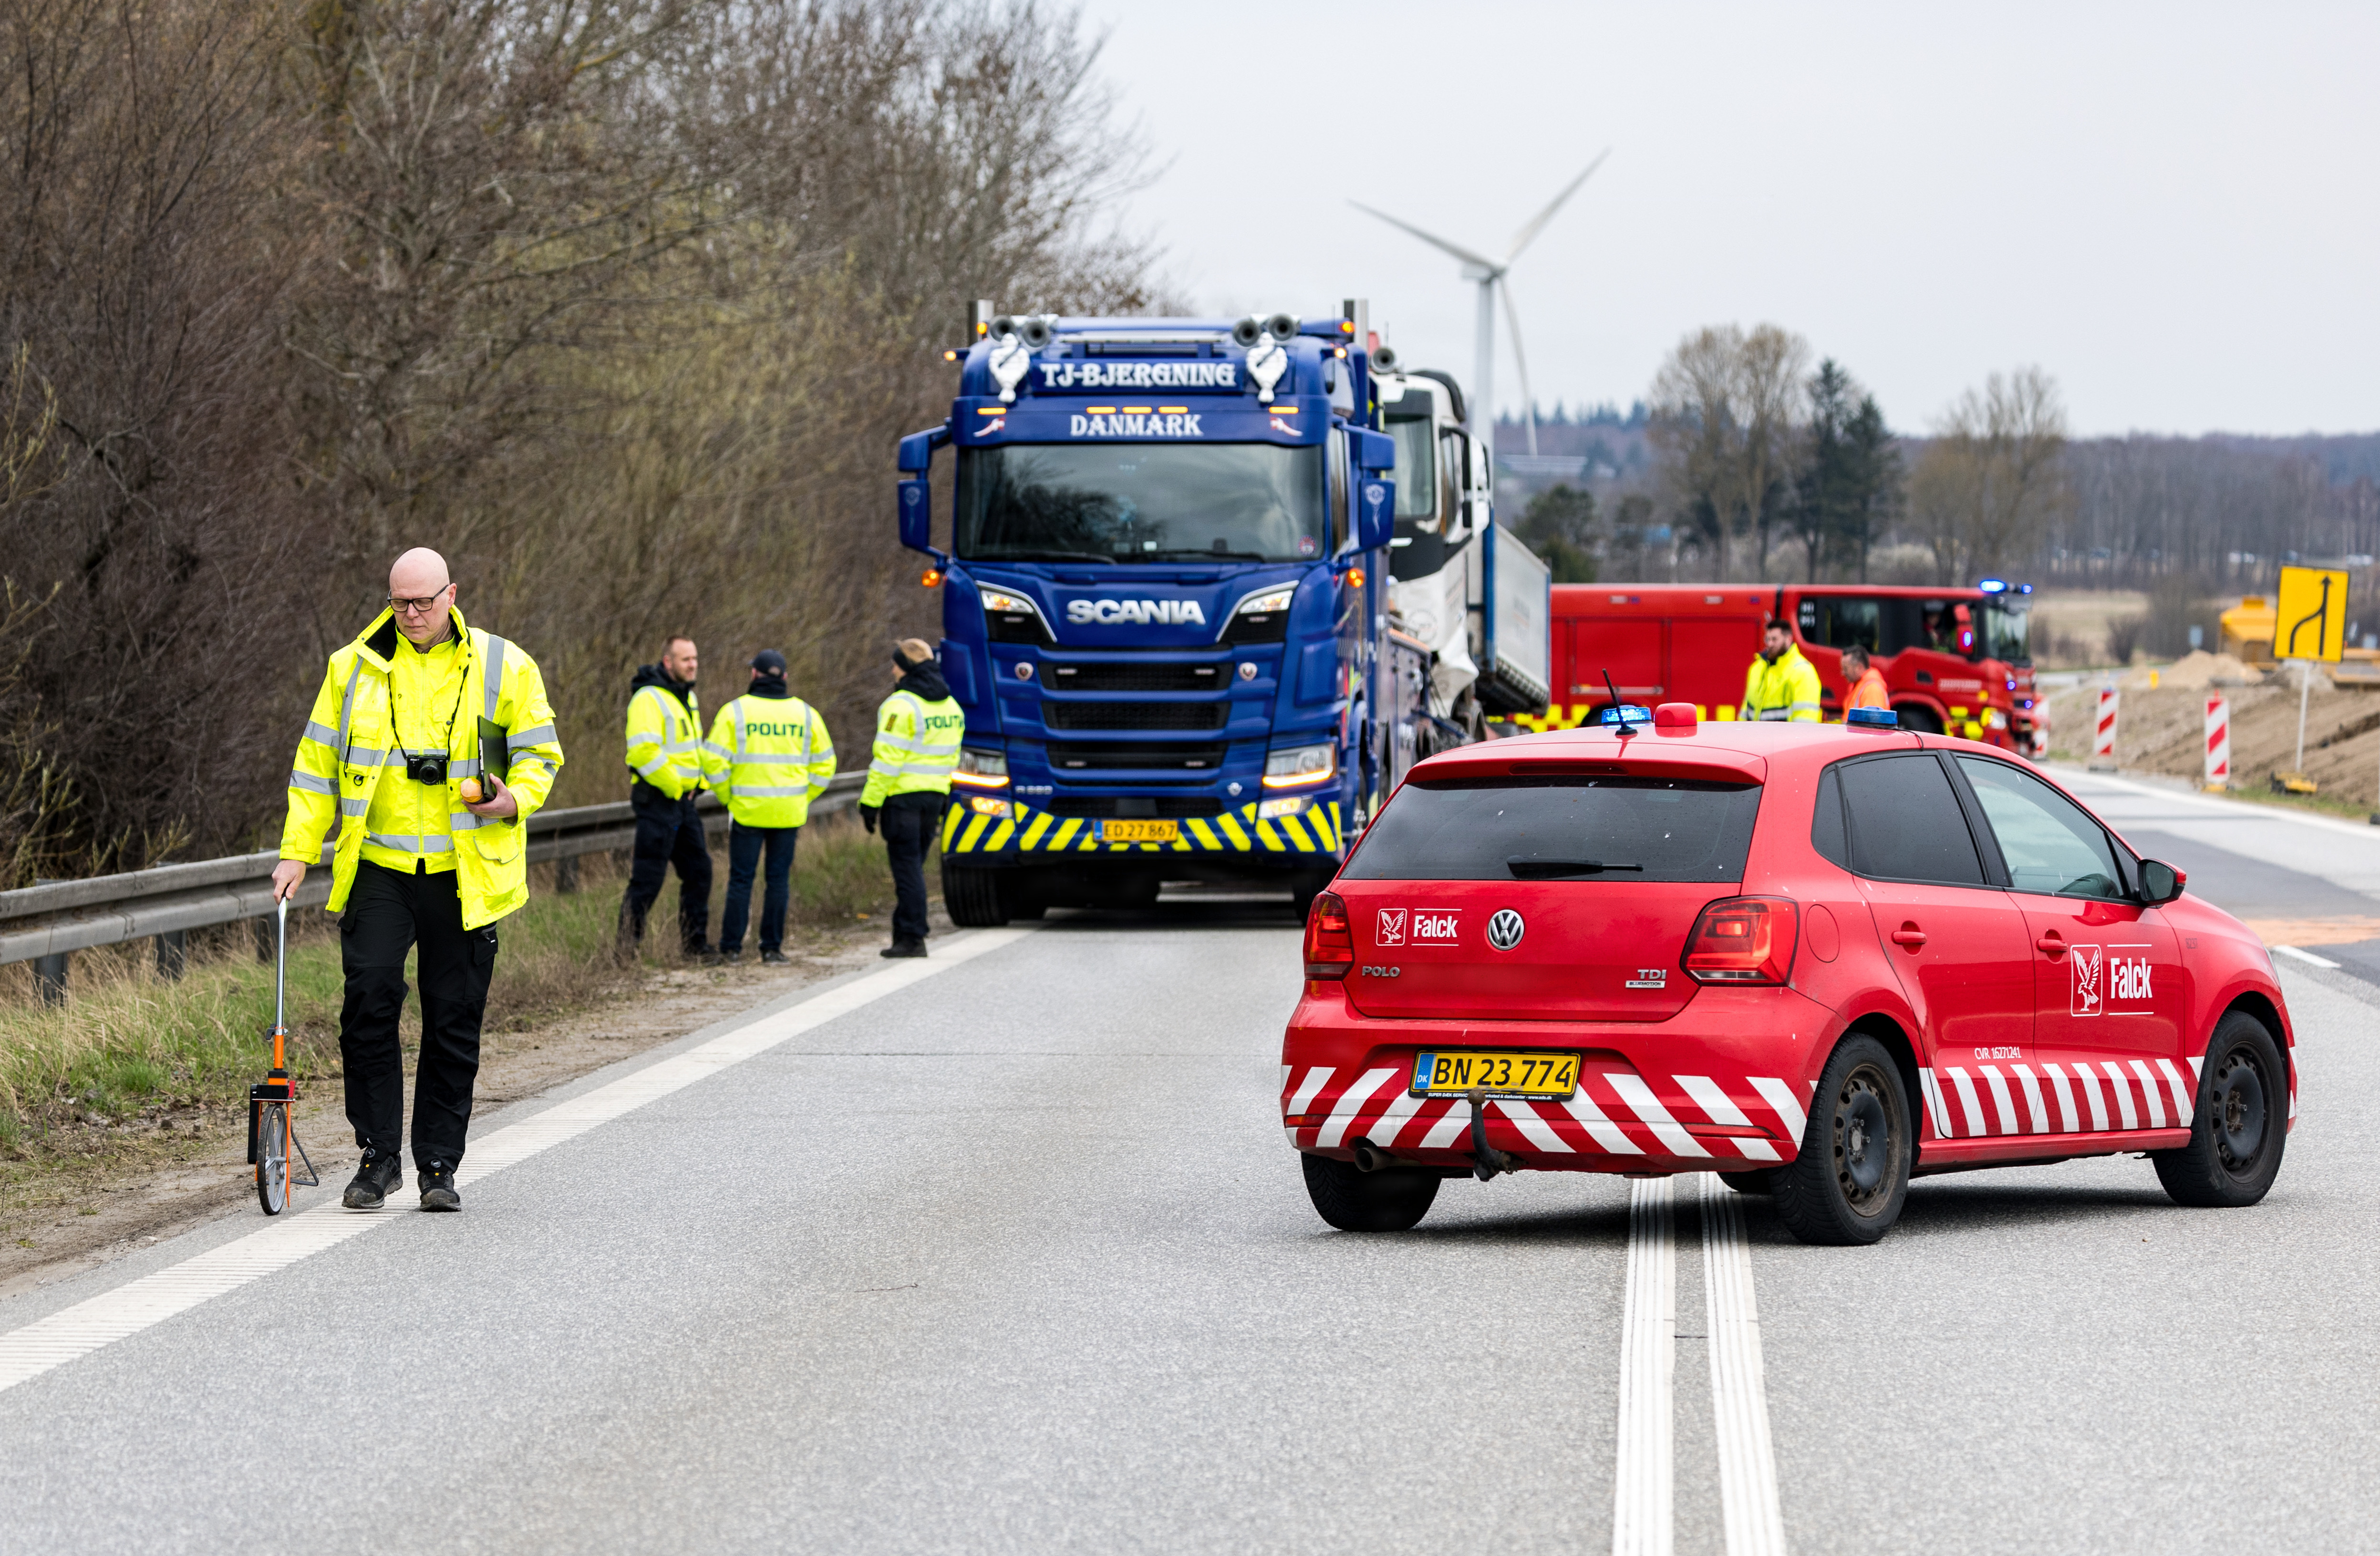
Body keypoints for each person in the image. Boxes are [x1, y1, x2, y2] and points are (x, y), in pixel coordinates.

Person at [270, 548, 564, 1213]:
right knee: (370, 1001)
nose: (411, 615)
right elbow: (315, 766)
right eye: (400, 602)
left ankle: (438, 1163)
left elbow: (541, 751)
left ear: (452, 594)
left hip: (465, 870)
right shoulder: (353, 667)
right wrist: (297, 849)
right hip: (380, 864)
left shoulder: (502, 663)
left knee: (453, 1017)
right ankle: (378, 1158)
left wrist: (511, 798)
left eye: (424, 602)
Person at [701, 650, 835, 964]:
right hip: (789, 811)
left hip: (748, 809)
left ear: (755, 675)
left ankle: (732, 948)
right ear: (785, 677)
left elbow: (712, 760)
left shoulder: (735, 711)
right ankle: (772, 948)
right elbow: (827, 763)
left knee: (741, 879)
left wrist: (727, 795)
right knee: (778, 880)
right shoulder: (806, 714)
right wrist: (804, 795)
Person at [858, 639, 963, 959]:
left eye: (896, 664)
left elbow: (887, 761)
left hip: (903, 800)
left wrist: (870, 802)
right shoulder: (951, 706)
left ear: (906, 666)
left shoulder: (900, 705)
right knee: (914, 867)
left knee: (907, 870)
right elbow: (952, 756)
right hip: (934, 799)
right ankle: (905, 930)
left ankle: (913, 937)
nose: (892, 670)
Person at [619, 635, 714, 959]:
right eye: (686, 659)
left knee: (700, 871)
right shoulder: (649, 698)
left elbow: (692, 750)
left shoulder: (687, 696)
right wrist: (676, 786)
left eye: (695, 658)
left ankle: (695, 946)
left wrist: (698, 782)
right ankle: (625, 952)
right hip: (659, 802)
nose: (693, 664)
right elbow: (644, 752)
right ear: (668, 662)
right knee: (648, 881)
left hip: (684, 803)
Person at [1743, 618, 1823, 722]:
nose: (1770, 644)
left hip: (1785, 738)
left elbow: (1805, 720)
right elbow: (1745, 711)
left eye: (1775, 639)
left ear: (1789, 639)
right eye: (1768, 639)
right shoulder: (1756, 668)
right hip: (1755, 738)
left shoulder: (1803, 672)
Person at [1842, 642, 1890, 713]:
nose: (1843, 673)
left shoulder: (1872, 689)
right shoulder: (1858, 686)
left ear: (1859, 667)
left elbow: (1873, 722)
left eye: (1846, 669)